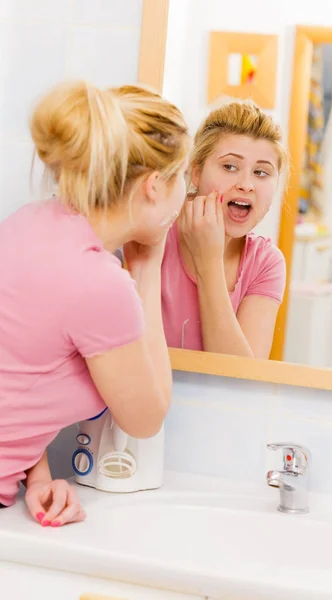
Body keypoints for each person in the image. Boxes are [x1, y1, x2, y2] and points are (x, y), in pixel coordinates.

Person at [0, 81, 189, 525]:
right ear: (154, 186)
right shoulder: (98, 283)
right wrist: (146, 270)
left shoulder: (26, 223)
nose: (187, 190)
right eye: (183, 176)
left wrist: (38, 473)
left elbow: (17, 374)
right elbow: (145, 417)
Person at [161, 100, 288, 358]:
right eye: (230, 166)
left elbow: (240, 379)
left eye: (261, 173)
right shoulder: (155, 234)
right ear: (196, 173)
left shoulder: (266, 263)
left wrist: (208, 262)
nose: (246, 184)